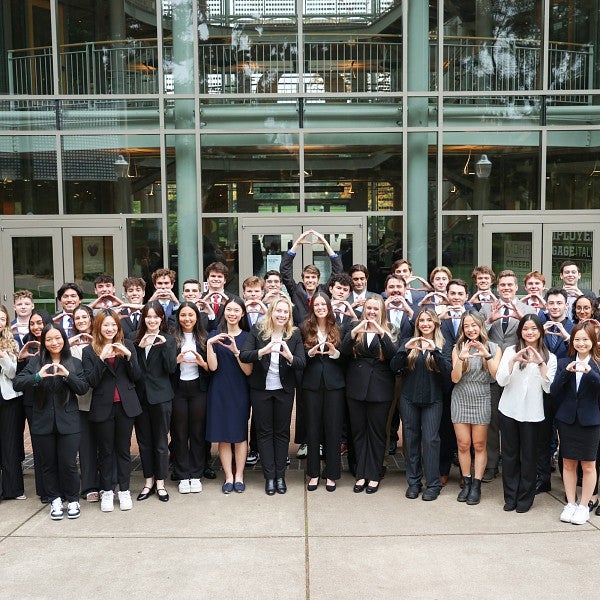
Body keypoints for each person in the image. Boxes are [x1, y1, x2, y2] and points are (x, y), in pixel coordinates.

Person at [14, 324, 89, 520]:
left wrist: (67, 375)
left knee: (69, 463)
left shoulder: (73, 362)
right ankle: (55, 499)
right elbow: (18, 383)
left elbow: (82, 388)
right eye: (49, 339)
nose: (54, 342)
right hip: (42, 422)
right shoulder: (36, 362)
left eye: (57, 338)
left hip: (69, 422)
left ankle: (72, 499)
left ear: (64, 339)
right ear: (43, 343)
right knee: (48, 464)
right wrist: (38, 376)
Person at [239, 296, 306, 496]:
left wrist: (289, 356)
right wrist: (263, 351)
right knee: (265, 433)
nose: (282, 315)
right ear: (271, 312)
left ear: (289, 315)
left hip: (284, 390)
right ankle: (269, 477)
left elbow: (302, 362)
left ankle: (280, 476)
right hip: (261, 390)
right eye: (278, 311)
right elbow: (244, 354)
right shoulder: (258, 331)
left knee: (282, 433)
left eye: (286, 312)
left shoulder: (294, 334)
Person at [496, 314, 556, 513]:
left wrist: (540, 364)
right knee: (510, 456)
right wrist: (513, 360)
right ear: (520, 331)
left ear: (540, 331)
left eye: (533, 328)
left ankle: (525, 498)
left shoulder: (550, 357)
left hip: (532, 413)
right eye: (525, 329)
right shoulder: (510, 351)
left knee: (529, 457)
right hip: (509, 410)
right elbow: (501, 380)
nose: (529, 332)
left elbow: (548, 388)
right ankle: (510, 496)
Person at [478, 270, 535, 482]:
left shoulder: (527, 309)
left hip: (517, 374)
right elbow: (476, 333)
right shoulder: (485, 308)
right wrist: (489, 320)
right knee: (492, 421)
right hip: (492, 373)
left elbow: (533, 336)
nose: (506, 288)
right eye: (502, 285)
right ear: (497, 287)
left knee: (516, 419)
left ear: (517, 287)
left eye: (510, 285)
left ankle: (516, 464)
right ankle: (491, 465)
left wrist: (522, 320)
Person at [82, 309, 142, 512]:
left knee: (123, 450)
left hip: (126, 406)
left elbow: (136, 376)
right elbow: (91, 381)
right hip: (102, 407)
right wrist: (102, 359)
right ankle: (107, 491)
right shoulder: (89, 351)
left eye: (113, 325)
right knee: (106, 451)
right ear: (98, 327)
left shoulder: (127, 346)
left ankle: (124, 490)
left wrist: (128, 356)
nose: (110, 328)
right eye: (106, 325)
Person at [391, 309, 451, 501]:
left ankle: (433, 484)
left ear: (435, 323)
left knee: (431, 441)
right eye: (421, 321)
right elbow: (394, 367)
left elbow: (448, 372)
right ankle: (414, 482)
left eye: (428, 320)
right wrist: (404, 348)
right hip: (409, 398)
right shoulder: (409, 342)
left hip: (434, 399)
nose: (425, 324)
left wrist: (435, 350)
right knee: (411, 440)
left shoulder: (444, 344)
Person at [341, 296, 397, 494]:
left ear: (382, 311)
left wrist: (381, 333)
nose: (372, 312)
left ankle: (373, 475)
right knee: (358, 432)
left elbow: (393, 356)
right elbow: (343, 352)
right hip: (355, 387)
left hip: (380, 389)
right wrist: (354, 332)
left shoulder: (390, 328)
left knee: (377, 433)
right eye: (369, 308)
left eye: (376, 309)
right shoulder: (354, 326)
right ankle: (361, 474)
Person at [550, 322, 600, 525]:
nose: (581, 343)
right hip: (567, 419)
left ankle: (584, 505)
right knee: (568, 462)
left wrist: (591, 373)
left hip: (591, 420)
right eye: (577, 339)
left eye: (585, 339)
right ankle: (570, 503)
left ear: (593, 341)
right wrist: (566, 372)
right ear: (572, 341)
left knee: (588, 465)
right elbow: (553, 391)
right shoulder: (564, 362)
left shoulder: (597, 364)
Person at [450, 310, 501, 504]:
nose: (470, 329)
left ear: (481, 326)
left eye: (474, 325)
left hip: (482, 396)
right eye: (466, 326)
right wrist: (461, 357)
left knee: (479, 444)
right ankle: (467, 481)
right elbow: (454, 379)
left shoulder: (494, 347)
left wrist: (486, 355)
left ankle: (477, 485)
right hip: (461, 396)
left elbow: (496, 376)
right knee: (463, 444)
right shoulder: (457, 347)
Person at [206, 298, 252, 493]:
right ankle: (228, 477)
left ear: (242, 314)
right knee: (223, 436)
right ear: (224, 312)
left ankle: (239, 476)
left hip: (240, 390)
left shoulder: (249, 337)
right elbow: (213, 367)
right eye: (229, 310)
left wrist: (236, 352)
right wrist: (209, 344)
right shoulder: (215, 335)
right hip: (219, 390)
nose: (232, 313)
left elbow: (248, 371)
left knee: (240, 435)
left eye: (236, 310)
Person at [301, 292, 345, 492]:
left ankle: (332, 474)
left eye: (323, 304)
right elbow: (299, 357)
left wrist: (334, 353)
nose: (320, 307)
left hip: (334, 385)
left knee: (333, 428)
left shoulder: (338, 328)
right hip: (311, 384)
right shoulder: (304, 328)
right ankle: (313, 473)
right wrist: (310, 352)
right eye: (316, 304)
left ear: (329, 307)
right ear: (312, 307)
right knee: (312, 429)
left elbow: (345, 358)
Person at [133, 301, 177, 503]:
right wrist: (140, 349)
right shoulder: (134, 340)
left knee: (160, 441)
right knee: (144, 442)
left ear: (161, 318)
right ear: (144, 318)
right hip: (140, 398)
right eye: (148, 316)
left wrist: (165, 345)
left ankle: (160, 482)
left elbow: (170, 369)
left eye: (155, 316)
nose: (151, 320)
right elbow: (134, 372)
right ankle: (148, 481)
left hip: (161, 398)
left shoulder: (168, 339)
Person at [171, 302, 210, 495]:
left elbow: (212, 368)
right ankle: (182, 474)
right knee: (179, 433)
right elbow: (164, 368)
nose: (187, 319)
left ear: (197, 317)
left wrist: (202, 363)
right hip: (178, 389)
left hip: (198, 388)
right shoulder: (172, 338)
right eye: (183, 315)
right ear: (178, 317)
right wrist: (175, 361)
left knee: (197, 432)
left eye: (191, 315)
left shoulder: (204, 337)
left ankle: (196, 473)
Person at [68, 304, 100, 502]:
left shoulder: (101, 339)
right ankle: (89, 486)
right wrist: (70, 342)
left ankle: (107, 484)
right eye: (76, 318)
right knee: (86, 446)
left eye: (84, 317)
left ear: (91, 319)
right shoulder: (69, 345)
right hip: (81, 401)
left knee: (106, 445)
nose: (80, 321)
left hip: (103, 398)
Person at [0, 305, 25, 500]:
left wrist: (3, 358)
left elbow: (12, 373)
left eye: (2, 319)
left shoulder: (11, 342)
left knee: (10, 445)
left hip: (8, 398)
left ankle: (14, 489)